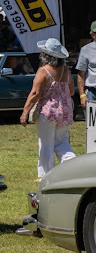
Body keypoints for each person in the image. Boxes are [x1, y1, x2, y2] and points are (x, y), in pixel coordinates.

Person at [20, 39, 76, 182]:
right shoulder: (66, 71)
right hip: (65, 110)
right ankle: (72, 167)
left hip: (48, 111)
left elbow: (35, 93)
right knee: (62, 142)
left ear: (45, 56)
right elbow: (71, 92)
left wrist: (25, 112)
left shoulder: (43, 71)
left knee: (45, 143)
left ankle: (45, 175)